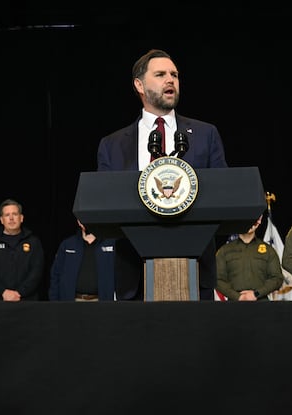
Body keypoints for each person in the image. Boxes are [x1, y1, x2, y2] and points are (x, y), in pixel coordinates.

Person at [96, 48, 228, 301]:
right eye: (160, 74)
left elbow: (222, 195)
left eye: (175, 75)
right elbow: (105, 205)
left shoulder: (205, 134)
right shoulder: (112, 145)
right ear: (139, 85)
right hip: (134, 275)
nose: (171, 80)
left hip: (195, 270)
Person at [0, 199, 44, 301]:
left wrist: (20, 292)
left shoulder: (33, 242)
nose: (11, 218)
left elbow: (36, 271)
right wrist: (3, 292)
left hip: (26, 301)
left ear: (21, 218)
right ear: (1, 220)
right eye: (7, 215)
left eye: (15, 214)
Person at [215, 214, 283, 301]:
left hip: (261, 303)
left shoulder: (269, 251)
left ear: (258, 222)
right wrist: (238, 297)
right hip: (234, 305)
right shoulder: (224, 251)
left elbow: (277, 278)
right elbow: (218, 280)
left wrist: (256, 294)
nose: (248, 224)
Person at [49, 219, 116, 301]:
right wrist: (54, 302)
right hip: (72, 302)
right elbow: (56, 274)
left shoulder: (111, 244)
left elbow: (121, 275)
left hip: (101, 303)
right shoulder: (68, 244)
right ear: (79, 222)